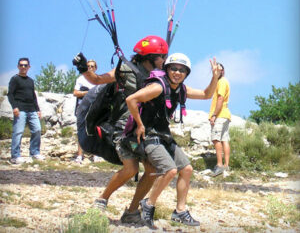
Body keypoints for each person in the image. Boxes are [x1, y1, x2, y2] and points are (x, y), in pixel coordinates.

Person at [72, 35, 168, 223]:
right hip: (125, 127)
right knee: (131, 168)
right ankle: (102, 199)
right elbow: (99, 79)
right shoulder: (124, 70)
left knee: (153, 170)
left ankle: (131, 211)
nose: (164, 60)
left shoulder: (161, 74)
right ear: (150, 57)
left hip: (146, 127)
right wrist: (83, 68)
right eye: (161, 56)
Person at [125, 53, 222, 228]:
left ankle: (180, 211)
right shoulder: (158, 87)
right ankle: (148, 204)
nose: (177, 72)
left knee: (186, 169)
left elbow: (207, 94)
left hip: (163, 136)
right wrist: (139, 125)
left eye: (182, 70)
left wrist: (215, 77)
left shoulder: (182, 89)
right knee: (169, 170)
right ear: (167, 69)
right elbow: (131, 99)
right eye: (174, 68)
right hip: (149, 136)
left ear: (186, 73)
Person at [7, 58, 44, 164]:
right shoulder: (15, 79)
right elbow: (10, 94)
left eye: (25, 65)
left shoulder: (30, 81)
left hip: (32, 109)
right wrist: (14, 107)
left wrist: (38, 109)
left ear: (29, 67)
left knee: (37, 130)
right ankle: (15, 155)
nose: (23, 67)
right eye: (21, 65)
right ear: (18, 66)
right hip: (20, 109)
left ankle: (35, 152)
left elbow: (33, 96)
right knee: (18, 132)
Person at [73, 59, 102, 163]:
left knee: (95, 131)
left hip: (95, 107)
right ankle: (79, 155)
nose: (90, 68)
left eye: (92, 66)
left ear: (96, 68)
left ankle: (96, 155)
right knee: (82, 131)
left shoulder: (99, 79)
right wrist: (88, 93)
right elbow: (75, 93)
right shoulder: (81, 79)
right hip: (83, 107)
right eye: (88, 66)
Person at [208, 63, 231, 177]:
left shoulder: (221, 82)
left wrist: (214, 115)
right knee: (224, 139)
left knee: (216, 139)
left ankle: (219, 165)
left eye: (219, 69)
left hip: (220, 115)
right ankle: (226, 165)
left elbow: (220, 98)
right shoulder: (223, 81)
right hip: (225, 115)